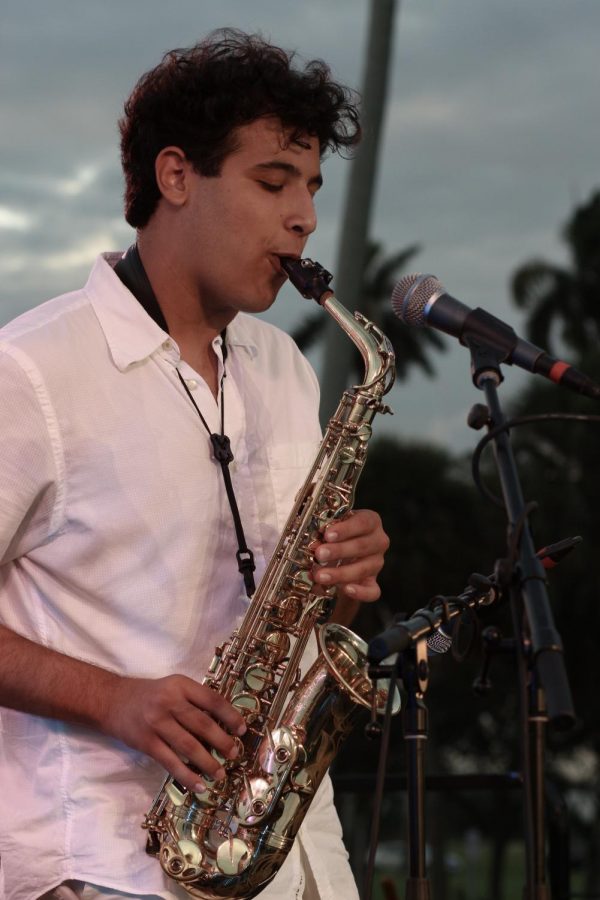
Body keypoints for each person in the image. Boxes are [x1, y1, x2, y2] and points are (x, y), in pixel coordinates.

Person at [0, 30, 389, 900]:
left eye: (314, 186)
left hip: (294, 857)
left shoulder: (286, 365)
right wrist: (113, 698)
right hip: (99, 861)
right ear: (176, 177)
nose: (306, 217)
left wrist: (347, 576)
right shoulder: (29, 372)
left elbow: (291, 610)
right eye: (273, 181)